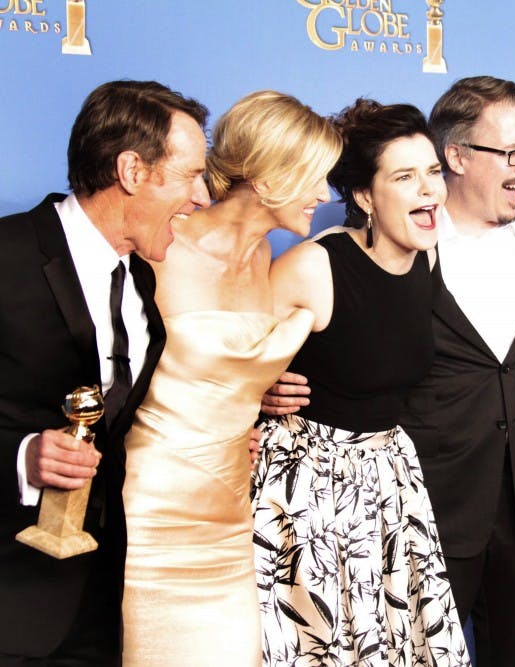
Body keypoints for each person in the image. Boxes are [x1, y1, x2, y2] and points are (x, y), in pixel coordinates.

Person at [264, 76, 515, 666]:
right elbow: (230, 356)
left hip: (482, 497)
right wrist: (261, 388)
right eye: (407, 176)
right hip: (374, 502)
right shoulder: (344, 259)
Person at [119, 91, 339, 666]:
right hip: (149, 516)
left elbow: (227, 370)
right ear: (268, 180)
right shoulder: (161, 251)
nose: (325, 194)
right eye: (315, 177)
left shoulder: (266, 255)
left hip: (230, 516)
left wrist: (259, 394)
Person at [251, 99, 469, 666]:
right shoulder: (313, 266)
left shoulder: (428, 257)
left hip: (389, 484)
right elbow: (221, 374)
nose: (429, 190)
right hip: (307, 496)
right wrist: (259, 392)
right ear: (366, 197)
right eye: (405, 176)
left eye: (433, 172)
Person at [0, 80, 208, 664]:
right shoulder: (8, 255)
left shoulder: (141, 279)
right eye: (190, 175)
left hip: (100, 601)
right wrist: (21, 457)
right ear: (132, 171)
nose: (202, 196)